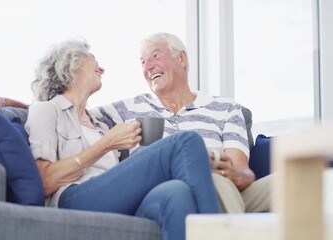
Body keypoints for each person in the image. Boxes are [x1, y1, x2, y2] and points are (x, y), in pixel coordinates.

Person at [25, 39, 220, 240]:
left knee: (176, 192)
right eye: (94, 62)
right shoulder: (46, 110)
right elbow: (45, 180)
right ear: (71, 65)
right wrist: (107, 144)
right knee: (186, 142)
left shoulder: (99, 122)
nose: (101, 69)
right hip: (72, 197)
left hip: (112, 197)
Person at [93, 32, 270, 213]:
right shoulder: (130, 108)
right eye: (142, 62)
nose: (148, 67)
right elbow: (76, 111)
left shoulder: (226, 108)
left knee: (287, 181)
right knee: (211, 179)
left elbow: (243, 172)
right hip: (171, 195)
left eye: (155, 56)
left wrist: (235, 174)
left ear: (182, 58)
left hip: (228, 192)